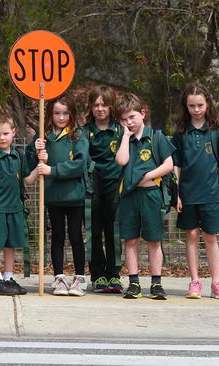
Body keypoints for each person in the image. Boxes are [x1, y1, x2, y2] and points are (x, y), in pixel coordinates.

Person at [172, 83, 219, 300]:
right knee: (191, 235)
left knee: (210, 237)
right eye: (192, 106)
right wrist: (176, 193)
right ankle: (195, 282)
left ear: (208, 103)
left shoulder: (216, 131)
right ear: (186, 106)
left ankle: (216, 282)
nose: (196, 109)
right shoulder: (180, 133)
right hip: (188, 194)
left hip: (211, 193)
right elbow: (176, 164)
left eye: (200, 105)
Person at [115, 93, 174, 300]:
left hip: (151, 195)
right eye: (123, 119)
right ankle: (133, 282)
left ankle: (156, 283)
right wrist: (124, 136)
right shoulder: (124, 139)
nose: (128, 122)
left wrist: (148, 175)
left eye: (131, 117)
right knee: (130, 240)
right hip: (130, 196)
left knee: (153, 240)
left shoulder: (156, 137)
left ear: (142, 113)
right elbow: (122, 161)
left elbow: (168, 165)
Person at [30, 92, 89, 296]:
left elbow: (79, 164)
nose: (61, 117)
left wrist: (53, 170)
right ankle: (59, 278)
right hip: (53, 196)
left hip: (74, 196)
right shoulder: (43, 135)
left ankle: (80, 278)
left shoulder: (78, 135)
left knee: (75, 235)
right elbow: (31, 162)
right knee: (56, 236)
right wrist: (35, 150)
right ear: (50, 114)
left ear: (71, 113)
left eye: (65, 113)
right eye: (57, 113)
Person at [0, 114, 39, 296]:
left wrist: (40, 167)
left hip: (15, 208)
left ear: (13, 132)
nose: (2, 138)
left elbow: (28, 179)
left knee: (11, 244)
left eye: (5, 133)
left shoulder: (19, 155)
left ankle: (8, 278)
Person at [83, 86, 124, 294]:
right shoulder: (84, 132)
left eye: (104, 104)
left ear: (111, 106)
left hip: (114, 187)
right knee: (94, 232)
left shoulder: (120, 130)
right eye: (96, 105)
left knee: (113, 232)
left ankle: (114, 274)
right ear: (91, 107)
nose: (100, 109)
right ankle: (98, 275)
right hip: (91, 188)